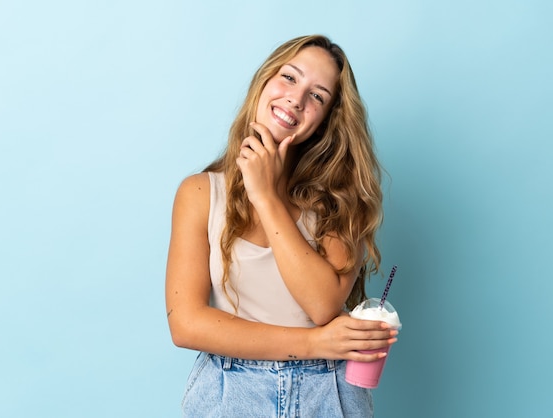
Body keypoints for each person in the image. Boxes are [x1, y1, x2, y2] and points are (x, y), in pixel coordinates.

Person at [165, 34, 398, 417]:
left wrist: (267, 196)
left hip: (327, 393)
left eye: (318, 96)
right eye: (289, 77)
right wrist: (315, 344)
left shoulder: (340, 200)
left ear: (326, 122)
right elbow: (187, 324)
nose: (296, 98)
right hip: (229, 393)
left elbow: (323, 305)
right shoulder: (200, 194)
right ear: (264, 80)